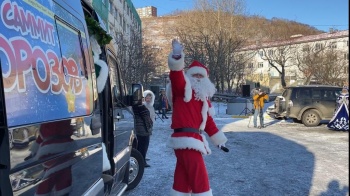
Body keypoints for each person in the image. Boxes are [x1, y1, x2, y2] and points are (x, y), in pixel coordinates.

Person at [166, 39, 227, 196]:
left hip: (191, 139)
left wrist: (219, 142)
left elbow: (208, 123)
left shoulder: (204, 100)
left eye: (201, 75)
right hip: (186, 139)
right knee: (199, 178)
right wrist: (177, 56)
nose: (198, 78)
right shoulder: (183, 90)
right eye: (195, 75)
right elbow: (177, 77)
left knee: (182, 178)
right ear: (189, 76)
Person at [132, 94, 153, 167]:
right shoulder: (141, 107)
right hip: (143, 130)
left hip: (138, 129)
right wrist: (149, 128)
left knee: (139, 146)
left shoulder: (133, 107)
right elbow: (146, 119)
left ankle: (140, 160)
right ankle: (142, 161)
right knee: (143, 147)